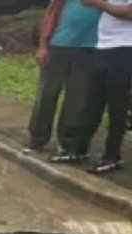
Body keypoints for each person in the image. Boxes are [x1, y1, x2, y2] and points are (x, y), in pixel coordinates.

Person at [33, 0, 101, 159]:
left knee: (77, 98)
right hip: (59, 46)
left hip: (90, 51)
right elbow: (50, 16)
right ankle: (38, 136)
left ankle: (68, 142)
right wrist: (43, 46)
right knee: (47, 94)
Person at [75, 0, 132, 174]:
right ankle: (79, 149)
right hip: (103, 47)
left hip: (125, 48)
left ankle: (112, 156)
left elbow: (130, 13)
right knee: (92, 103)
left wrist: (99, 4)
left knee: (116, 107)